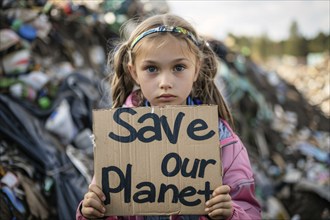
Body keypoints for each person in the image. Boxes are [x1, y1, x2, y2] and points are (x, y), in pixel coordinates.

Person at [76, 14, 261, 220]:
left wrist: (230, 214)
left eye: (179, 67)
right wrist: (92, 213)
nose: (165, 82)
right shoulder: (118, 138)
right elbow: (107, 202)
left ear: (196, 69)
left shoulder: (222, 140)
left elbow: (250, 210)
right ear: (134, 72)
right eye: (152, 69)